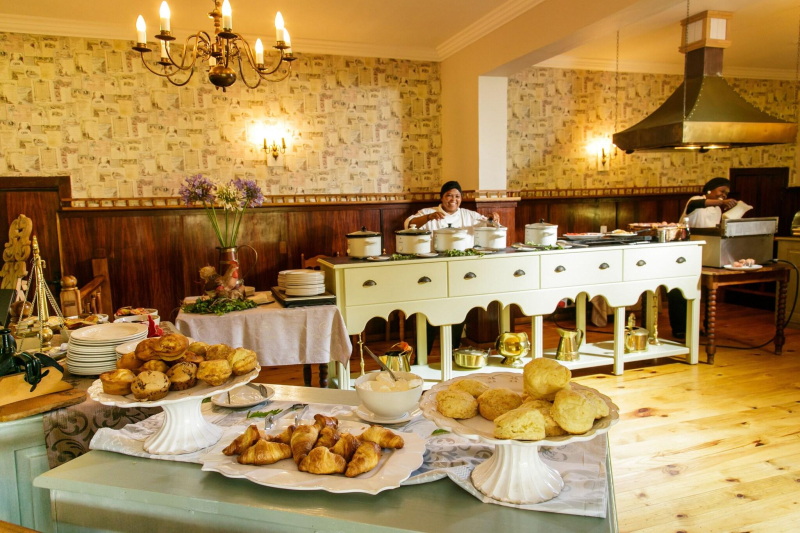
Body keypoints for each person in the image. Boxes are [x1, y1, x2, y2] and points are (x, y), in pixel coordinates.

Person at [404, 181, 500, 354]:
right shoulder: (428, 212)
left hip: (460, 271)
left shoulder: (468, 215)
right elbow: (409, 223)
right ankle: (421, 356)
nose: (453, 199)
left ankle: (453, 353)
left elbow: (489, 225)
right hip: (432, 271)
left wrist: (493, 219)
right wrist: (429, 218)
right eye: (449, 195)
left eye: (457, 196)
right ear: (442, 197)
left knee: (458, 312)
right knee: (428, 313)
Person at [668, 177, 738, 339]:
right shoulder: (695, 200)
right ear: (709, 190)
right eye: (722, 191)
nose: (724, 195)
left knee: (702, 291)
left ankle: (700, 325)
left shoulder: (717, 209)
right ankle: (679, 328)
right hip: (683, 251)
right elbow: (698, 204)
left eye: (726, 193)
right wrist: (722, 202)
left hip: (705, 252)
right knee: (679, 290)